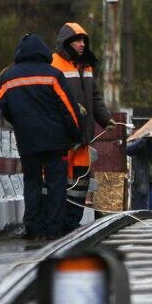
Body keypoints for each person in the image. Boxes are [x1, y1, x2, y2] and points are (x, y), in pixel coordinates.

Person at [0, 34, 81, 239]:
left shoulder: (8, 77)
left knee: (32, 182)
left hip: (27, 141)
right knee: (56, 185)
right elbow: (69, 109)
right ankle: (54, 231)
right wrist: (76, 134)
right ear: (43, 52)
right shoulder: (53, 74)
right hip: (56, 141)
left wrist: (19, 121)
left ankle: (33, 229)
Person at [51, 23, 116, 232]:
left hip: (83, 139)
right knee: (59, 181)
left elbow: (94, 97)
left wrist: (105, 118)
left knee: (80, 184)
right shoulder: (54, 64)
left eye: (83, 41)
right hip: (62, 138)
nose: (81, 44)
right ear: (66, 42)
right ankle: (56, 223)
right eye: (77, 40)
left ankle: (72, 223)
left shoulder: (86, 67)